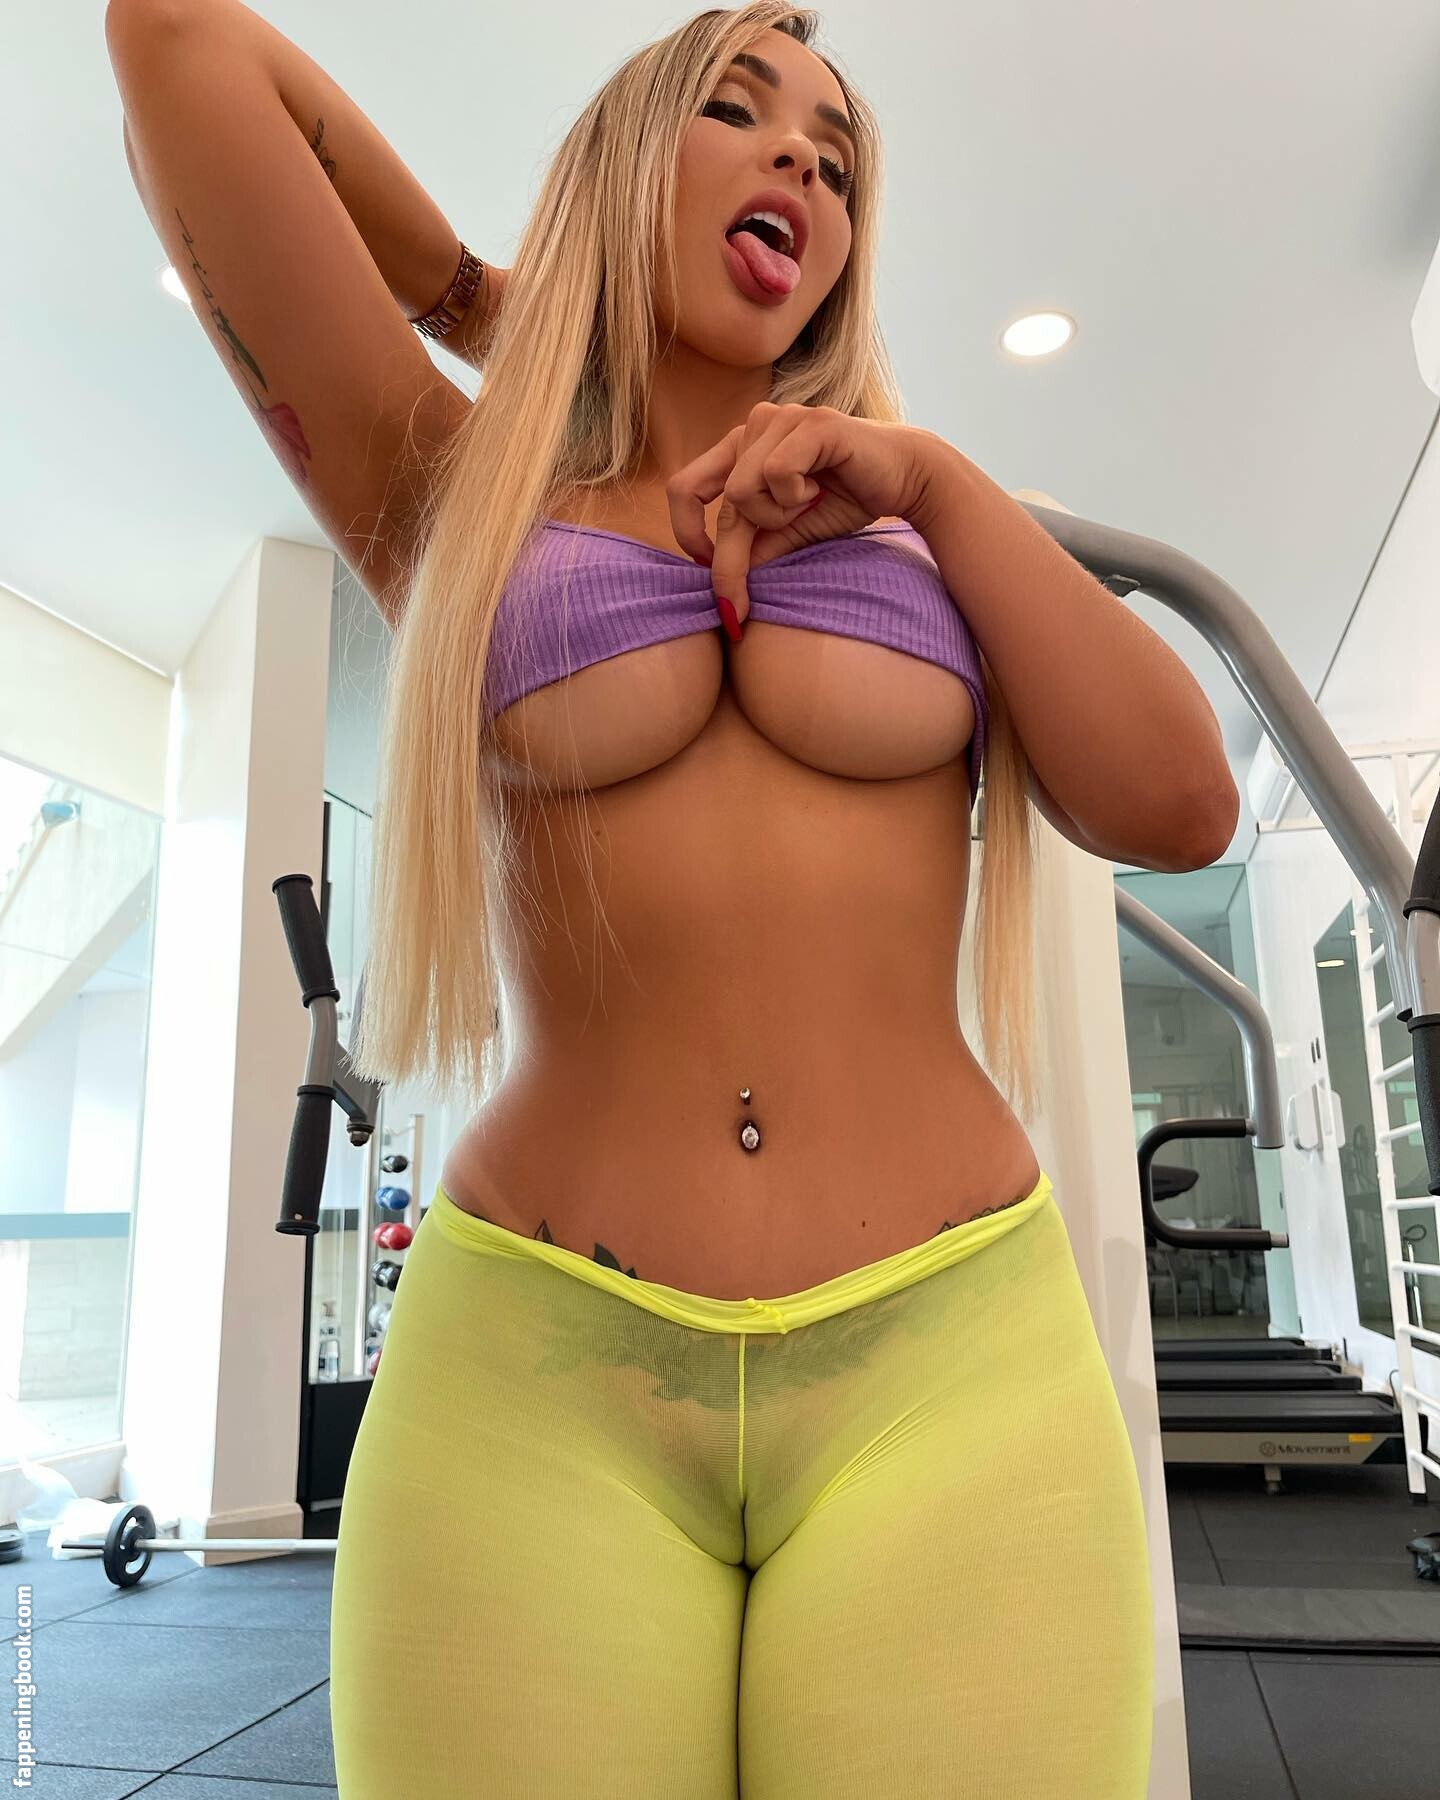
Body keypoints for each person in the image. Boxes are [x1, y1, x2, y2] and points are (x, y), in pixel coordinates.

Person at [109, 1, 1238, 1791]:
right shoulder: (464, 500)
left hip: (951, 1367)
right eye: (737, 108)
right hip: (534, 1383)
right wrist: (504, 304)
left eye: (839, 160)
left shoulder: (927, 530)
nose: (803, 159)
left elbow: (1181, 803)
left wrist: (940, 481)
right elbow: (177, 43)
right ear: (625, 163)